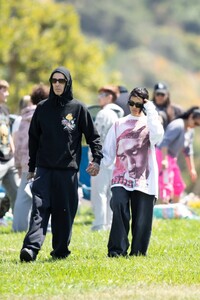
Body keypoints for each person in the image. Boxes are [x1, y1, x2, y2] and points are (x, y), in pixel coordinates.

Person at [20, 66, 103, 262]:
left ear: (68, 83)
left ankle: (60, 251)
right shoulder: (42, 108)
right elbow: (33, 139)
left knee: (64, 213)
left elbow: (93, 137)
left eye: (61, 81)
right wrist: (32, 167)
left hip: (68, 171)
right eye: (54, 81)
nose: (57, 84)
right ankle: (30, 249)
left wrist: (97, 159)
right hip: (44, 169)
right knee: (39, 209)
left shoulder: (78, 108)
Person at [102, 87, 164, 257]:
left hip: (145, 178)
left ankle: (138, 252)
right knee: (119, 205)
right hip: (121, 176)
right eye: (131, 103)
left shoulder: (151, 123)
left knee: (142, 218)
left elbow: (158, 136)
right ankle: (116, 250)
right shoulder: (119, 124)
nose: (135, 107)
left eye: (139, 104)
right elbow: (107, 152)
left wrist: (150, 110)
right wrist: (97, 164)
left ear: (145, 105)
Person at [12, 84, 49, 232]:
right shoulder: (45, 115)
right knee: (46, 196)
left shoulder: (20, 119)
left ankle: (18, 227)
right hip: (42, 162)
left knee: (22, 197)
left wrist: (18, 165)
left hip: (26, 163)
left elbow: (17, 143)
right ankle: (47, 227)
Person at [90, 85, 124, 231]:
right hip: (115, 159)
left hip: (102, 158)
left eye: (102, 95)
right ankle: (109, 223)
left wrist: (94, 157)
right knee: (110, 193)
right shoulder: (119, 115)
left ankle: (99, 224)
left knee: (99, 192)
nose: (99, 97)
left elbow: (97, 137)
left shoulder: (104, 114)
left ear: (110, 97)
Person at [156, 106, 200, 204]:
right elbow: (165, 142)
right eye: (195, 123)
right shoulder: (177, 125)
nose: (195, 126)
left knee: (179, 185)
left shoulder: (190, 131)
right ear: (191, 116)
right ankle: (164, 211)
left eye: (198, 125)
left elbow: (188, 151)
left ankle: (174, 209)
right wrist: (164, 159)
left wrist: (191, 169)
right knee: (166, 184)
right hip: (162, 154)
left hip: (172, 158)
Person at [0, 80, 19, 226]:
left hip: (9, 159)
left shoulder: (5, 109)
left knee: (16, 192)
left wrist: (13, 147)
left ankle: (18, 224)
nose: (7, 94)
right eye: (4, 91)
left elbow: (9, 131)